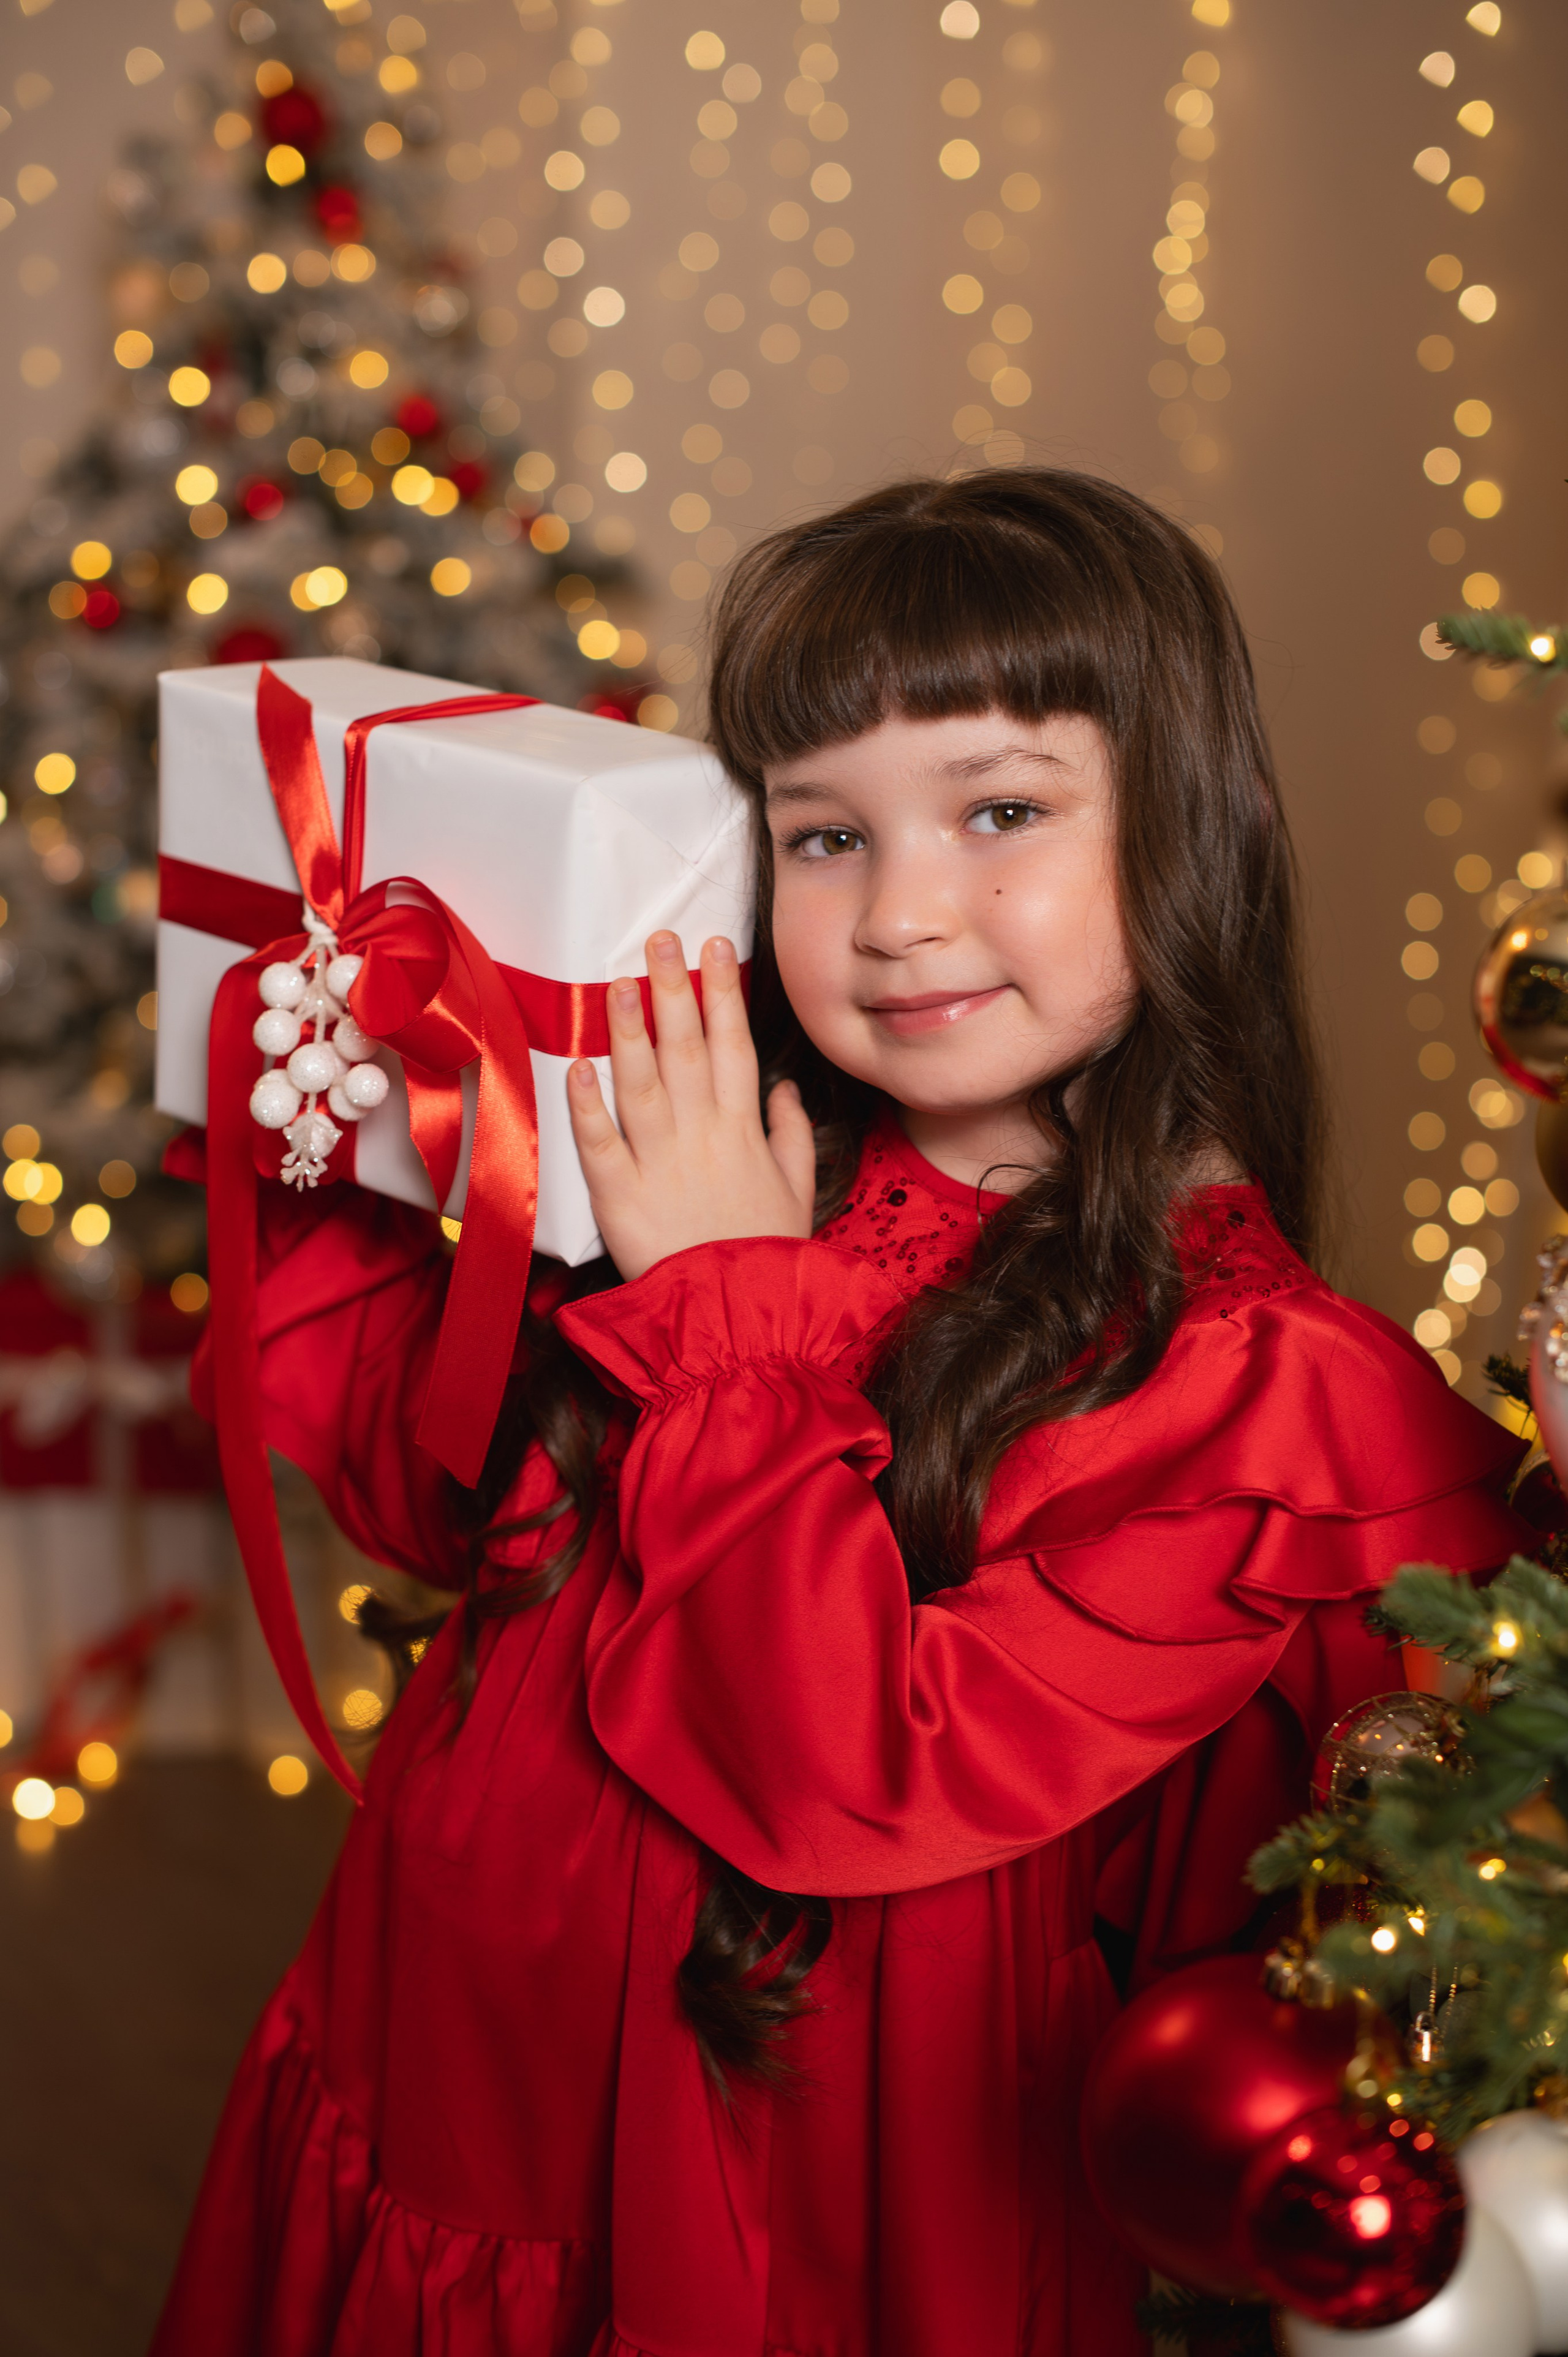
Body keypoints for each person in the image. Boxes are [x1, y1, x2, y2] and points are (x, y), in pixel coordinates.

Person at [151, 471, 1526, 2357]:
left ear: (1206, 829)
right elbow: (421, 1501)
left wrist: (719, 1303)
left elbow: (839, 1767)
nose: (900, 916)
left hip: (783, 2216)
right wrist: (368, 1118)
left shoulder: (1259, 1388)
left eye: (1003, 812)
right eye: (821, 838)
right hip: (440, 2091)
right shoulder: (726, 1152)